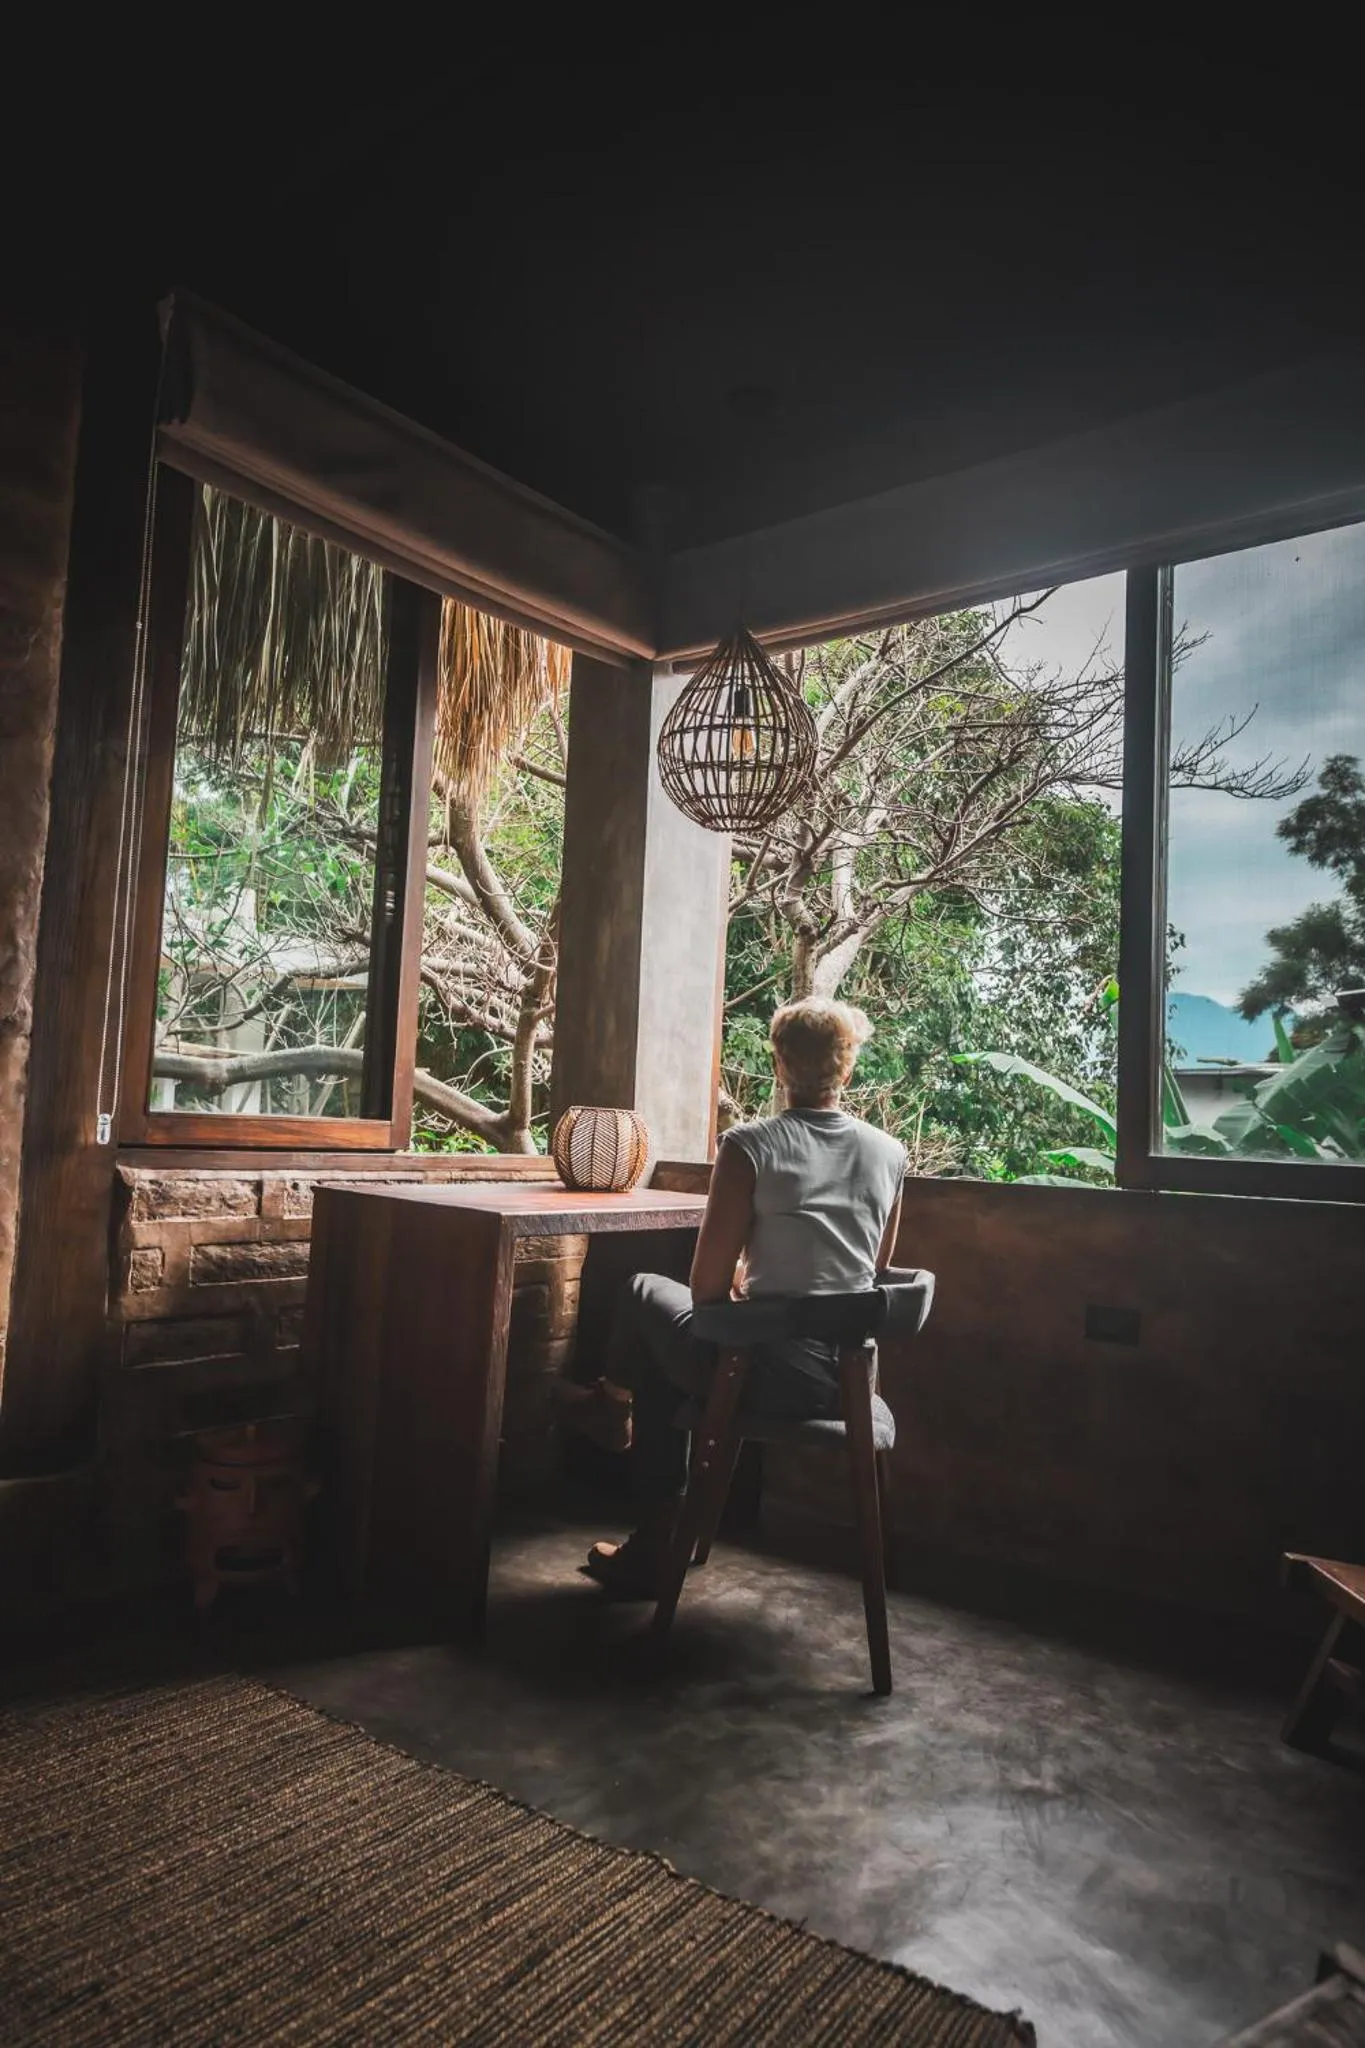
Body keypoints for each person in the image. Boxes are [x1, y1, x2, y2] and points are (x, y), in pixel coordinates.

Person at [580, 996, 907, 1596]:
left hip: (760, 1373)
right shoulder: (889, 1153)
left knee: (644, 1293)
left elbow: (705, 1292)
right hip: (847, 1380)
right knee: (670, 1359)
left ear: (779, 1065)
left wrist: (743, 1288)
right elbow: (871, 1272)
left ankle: (614, 1413)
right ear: (848, 1069)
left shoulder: (750, 1145)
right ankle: (650, 1521)